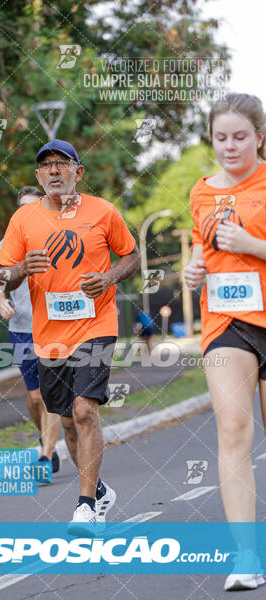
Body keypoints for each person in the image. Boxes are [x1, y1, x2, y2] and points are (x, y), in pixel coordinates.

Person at [0, 139, 140, 532]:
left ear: (79, 172)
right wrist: (21, 269)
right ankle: (99, 492)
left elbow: (131, 254)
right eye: (47, 166)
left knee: (84, 410)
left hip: (96, 324)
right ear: (39, 176)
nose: (54, 171)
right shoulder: (23, 221)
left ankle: (84, 506)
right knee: (68, 421)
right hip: (49, 334)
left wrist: (109, 277)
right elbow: (1, 276)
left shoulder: (103, 211)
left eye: (63, 163)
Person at [184, 93, 266, 591]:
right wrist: (193, 268)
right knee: (233, 429)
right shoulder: (200, 191)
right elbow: (202, 243)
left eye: (240, 137)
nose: (230, 147)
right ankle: (247, 556)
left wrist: (255, 246)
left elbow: (246, 246)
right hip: (226, 323)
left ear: (259, 136)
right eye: (221, 138)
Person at [0, 186, 61, 473]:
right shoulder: (8, 242)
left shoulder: (58, 237)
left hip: (54, 328)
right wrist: (0, 301)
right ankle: (45, 435)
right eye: (22, 208)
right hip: (21, 328)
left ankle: (46, 454)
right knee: (34, 397)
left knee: (51, 394)